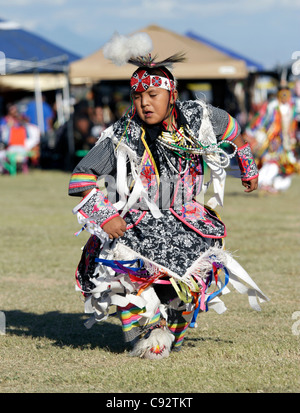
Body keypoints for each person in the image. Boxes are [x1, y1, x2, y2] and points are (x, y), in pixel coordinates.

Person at [68, 33, 268, 359]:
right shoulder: (123, 133)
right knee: (142, 286)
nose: (144, 103)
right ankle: (152, 331)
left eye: (152, 94)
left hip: (188, 218)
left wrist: (247, 166)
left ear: (171, 96)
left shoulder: (196, 116)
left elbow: (232, 130)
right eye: (136, 96)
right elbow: (80, 177)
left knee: (187, 291)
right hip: (140, 222)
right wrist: (107, 216)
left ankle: (167, 328)